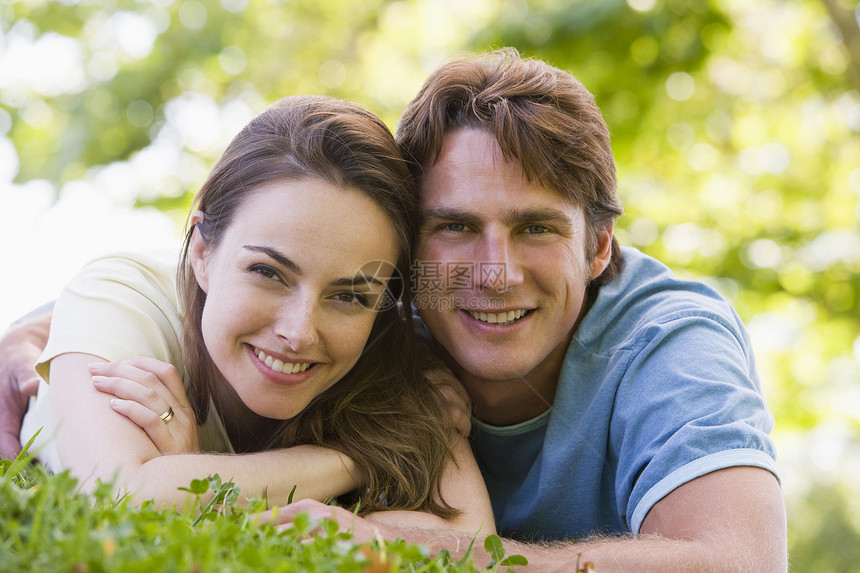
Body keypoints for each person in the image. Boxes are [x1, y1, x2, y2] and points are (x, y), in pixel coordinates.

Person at [2, 49, 786, 570]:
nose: (493, 271)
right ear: (411, 252)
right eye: (454, 226)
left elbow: (743, 563)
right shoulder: (390, 314)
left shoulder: (665, 339)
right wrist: (40, 333)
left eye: (536, 227)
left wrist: (392, 546)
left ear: (598, 246)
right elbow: (236, 266)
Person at [1, 95, 493, 533]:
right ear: (201, 250)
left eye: (349, 296)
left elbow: (474, 540)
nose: (299, 332)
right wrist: (353, 460)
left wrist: (189, 475)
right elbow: (124, 496)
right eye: (268, 272)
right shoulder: (121, 296)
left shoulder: (390, 352)